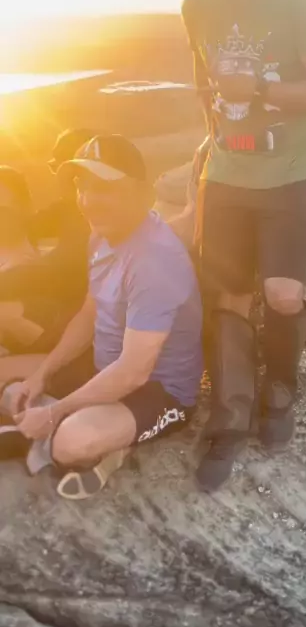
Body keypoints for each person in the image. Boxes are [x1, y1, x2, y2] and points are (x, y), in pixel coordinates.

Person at [168, 0, 306, 491]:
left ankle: (281, 392)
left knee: (283, 294)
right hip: (225, 176)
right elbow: (205, 87)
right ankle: (230, 417)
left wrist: (261, 86)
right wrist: (206, 153)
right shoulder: (197, 5)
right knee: (229, 297)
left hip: (287, 174)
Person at [0, 134, 203, 499]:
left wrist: (55, 412)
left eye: (105, 188)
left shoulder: (155, 263)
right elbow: (88, 314)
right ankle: (58, 425)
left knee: (72, 443)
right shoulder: (101, 235)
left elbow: (134, 371)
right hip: (102, 366)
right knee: (14, 381)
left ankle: (75, 435)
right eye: (83, 187)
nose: (89, 200)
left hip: (157, 391)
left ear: (140, 192)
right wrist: (42, 374)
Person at [0, 166, 68, 354]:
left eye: (3, 209)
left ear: (25, 208)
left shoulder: (36, 271)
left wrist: (12, 321)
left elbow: (49, 347)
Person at [27, 127, 96, 310]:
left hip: (83, 311)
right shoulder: (65, 208)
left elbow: (67, 264)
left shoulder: (98, 216)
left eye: (57, 168)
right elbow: (23, 227)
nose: (55, 177)